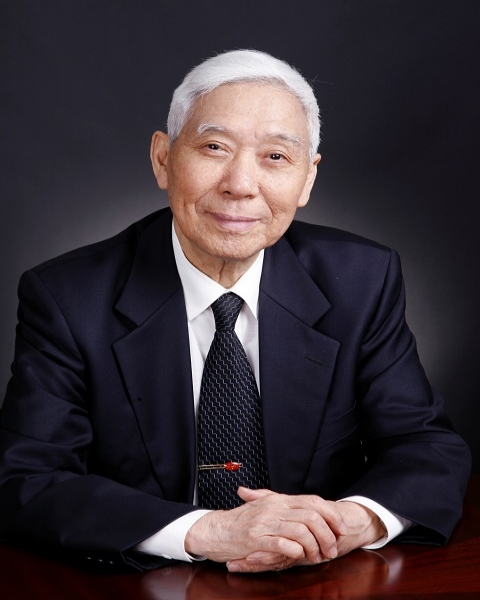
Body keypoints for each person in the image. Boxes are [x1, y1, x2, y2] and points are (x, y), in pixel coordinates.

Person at [0, 49, 471, 574]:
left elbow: (426, 447)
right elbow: (28, 480)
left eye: (276, 157)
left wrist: (343, 524)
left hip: (317, 578)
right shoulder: (67, 297)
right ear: (163, 159)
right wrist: (209, 532)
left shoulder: (361, 280)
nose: (240, 185)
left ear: (307, 179)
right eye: (214, 147)